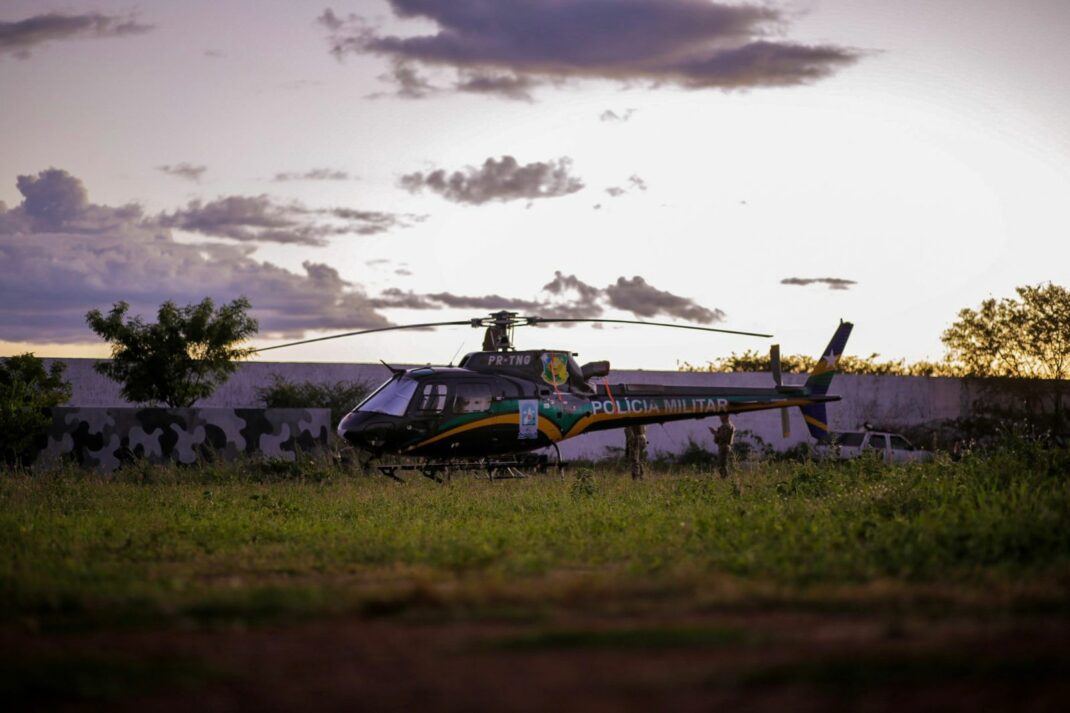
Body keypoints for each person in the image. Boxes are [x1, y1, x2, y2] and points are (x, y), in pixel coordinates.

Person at [710, 414, 735, 478]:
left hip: (724, 447)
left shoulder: (726, 426)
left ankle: (725, 478)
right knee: (723, 464)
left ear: (726, 416)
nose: (720, 418)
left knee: (722, 465)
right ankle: (725, 477)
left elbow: (723, 437)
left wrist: (714, 433)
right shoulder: (729, 425)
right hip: (725, 447)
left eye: (721, 416)